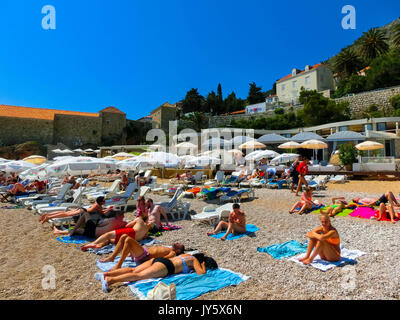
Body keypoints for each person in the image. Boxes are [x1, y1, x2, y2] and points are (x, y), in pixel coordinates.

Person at [95, 252, 218, 292]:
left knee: (134, 269)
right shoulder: (194, 260)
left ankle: (105, 274)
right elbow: (202, 274)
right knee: (139, 276)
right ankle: (109, 281)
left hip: (160, 260)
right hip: (165, 267)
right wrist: (202, 265)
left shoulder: (187, 254)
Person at [99, 238, 185, 271]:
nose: (177, 242)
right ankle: (111, 257)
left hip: (144, 256)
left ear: (178, 250)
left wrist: (148, 262)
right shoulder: (168, 248)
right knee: (123, 236)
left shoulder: (172, 253)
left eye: (178, 244)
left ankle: (118, 265)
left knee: (128, 239)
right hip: (142, 252)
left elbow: (163, 260)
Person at [80, 215, 152, 251]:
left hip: (131, 232)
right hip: (133, 239)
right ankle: (100, 244)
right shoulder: (146, 229)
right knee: (111, 240)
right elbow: (145, 236)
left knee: (108, 235)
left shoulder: (139, 219)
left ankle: (94, 243)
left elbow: (127, 225)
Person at [39, 196, 109, 224]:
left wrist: (106, 209)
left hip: (82, 209)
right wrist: (109, 209)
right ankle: (49, 217)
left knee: (64, 212)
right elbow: (103, 213)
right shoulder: (98, 206)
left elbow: (101, 210)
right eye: (104, 200)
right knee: (65, 214)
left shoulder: (96, 203)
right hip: (82, 211)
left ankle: (48, 215)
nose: (105, 201)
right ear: (101, 202)